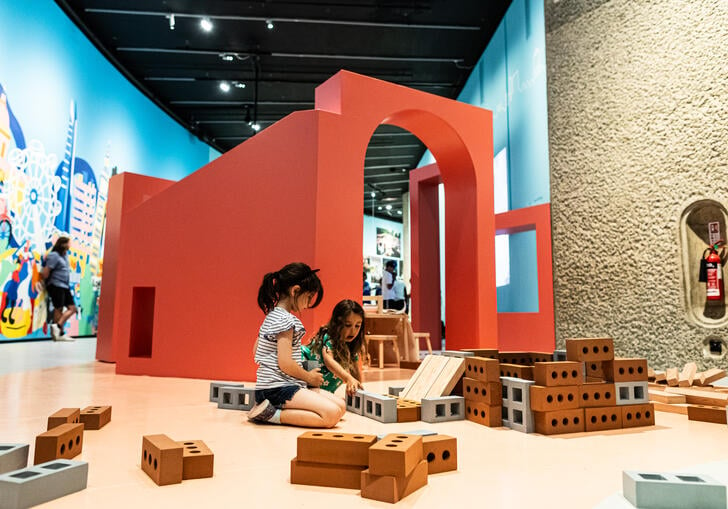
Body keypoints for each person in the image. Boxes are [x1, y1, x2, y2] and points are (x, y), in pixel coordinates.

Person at [247, 262, 346, 427]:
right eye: (308, 298)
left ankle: (270, 408)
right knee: (332, 415)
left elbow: (256, 351)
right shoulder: (286, 320)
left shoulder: (272, 316)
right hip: (277, 389)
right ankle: (270, 414)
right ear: (295, 291)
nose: (307, 304)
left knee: (341, 407)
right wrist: (309, 377)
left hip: (276, 386)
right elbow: (285, 363)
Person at [302, 299, 365, 396]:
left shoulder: (351, 344)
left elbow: (355, 371)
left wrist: (359, 390)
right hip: (307, 369)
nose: (353, 331)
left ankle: (320, 395)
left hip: (323, 388)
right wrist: (348, 378)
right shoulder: (328, 337)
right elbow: (329, 362)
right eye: (348, 325)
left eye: (357, 326)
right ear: (337, 323)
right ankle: (310, 394)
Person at [40, 236, 76, 341]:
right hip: (56, 285)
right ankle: (59, 334)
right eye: (69, 243)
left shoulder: (65, 256)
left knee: (72, 308)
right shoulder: (54, 255)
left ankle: (58, 326)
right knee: (58, 308)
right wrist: (46, 283)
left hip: (65, 285)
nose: (70, 245)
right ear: (63, 244)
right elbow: (46, 272)